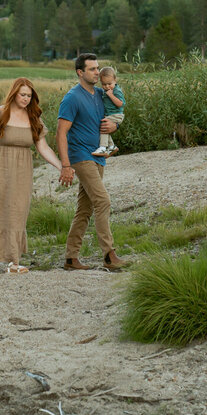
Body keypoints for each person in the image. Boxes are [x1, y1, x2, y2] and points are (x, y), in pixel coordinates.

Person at [0, 77, 63, 274]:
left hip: (22, 170)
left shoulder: (34, 118)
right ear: (14, 94)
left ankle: (14, 262)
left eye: (29, 96)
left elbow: (43, 147)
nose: (26, 99)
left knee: (16, 212)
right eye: (22, 95)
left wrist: (61, 166)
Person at [57, 53, 129, 272]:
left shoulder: (101, 94)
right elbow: (61, 133)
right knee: (103, 201)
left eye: (98, 68)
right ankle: (109, 255)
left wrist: (115, 127)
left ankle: (70, 259)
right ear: (80, 72)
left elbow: (116, 113)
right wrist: (66, 165)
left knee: (85, 209)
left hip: (99, 156)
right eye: (92, 69)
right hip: (81, 157)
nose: (98, 72)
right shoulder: (72, 98)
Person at [90, 65, 125, 158]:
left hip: (116, 114)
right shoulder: (105, 90)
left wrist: (111, 95)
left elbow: (121, 104)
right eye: (104, 84)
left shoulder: (116, 91)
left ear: (115, 80)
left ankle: (103, 147)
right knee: (105, 127)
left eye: (109, 83)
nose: (107, 87)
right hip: (110, 114)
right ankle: (112, 146)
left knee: (104, 127)